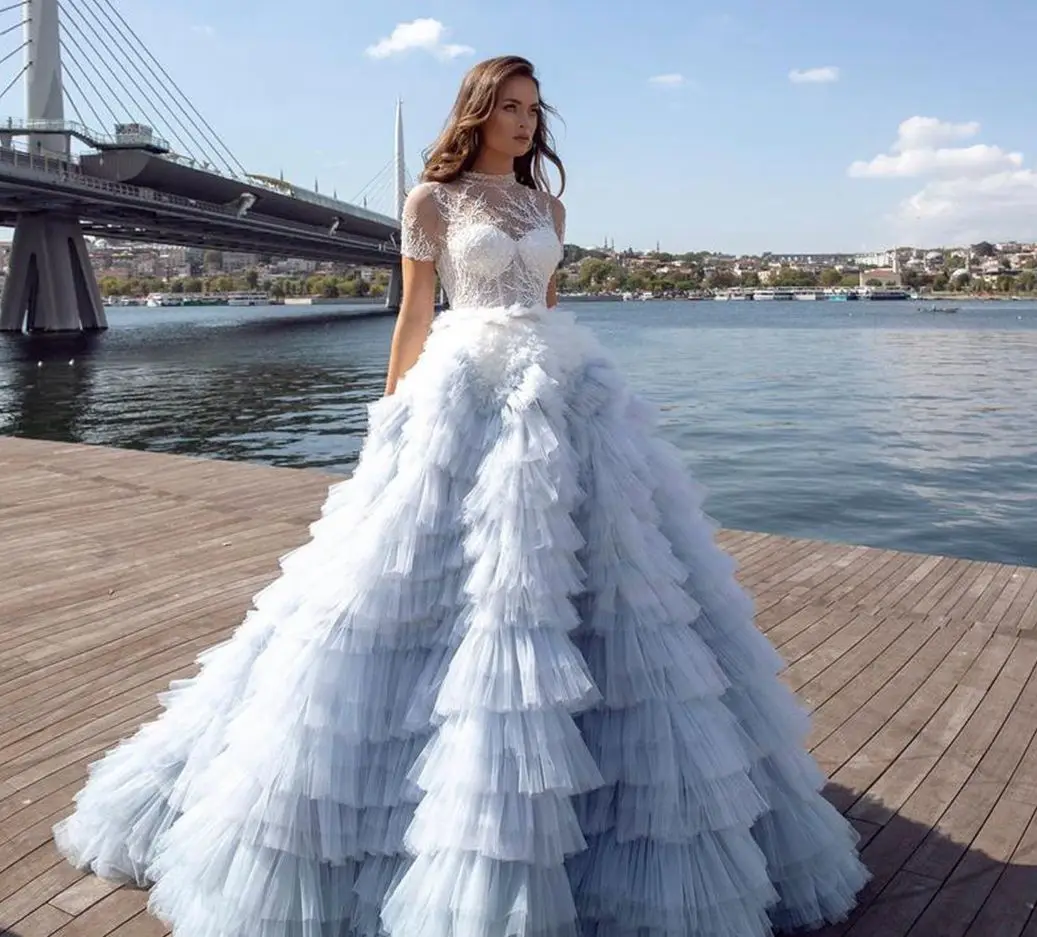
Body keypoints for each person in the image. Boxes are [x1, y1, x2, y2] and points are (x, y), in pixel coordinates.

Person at [54, 54, 869, 937]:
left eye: (533, 110)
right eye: (510, 108)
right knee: (436, 584)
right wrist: (390, 413)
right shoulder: (429, 202)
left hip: (564, 397)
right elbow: (413, 314)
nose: (525, 123)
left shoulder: (549, 207)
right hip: (462, 393)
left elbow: (546, 305)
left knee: (605, 583)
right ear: (477, 113)